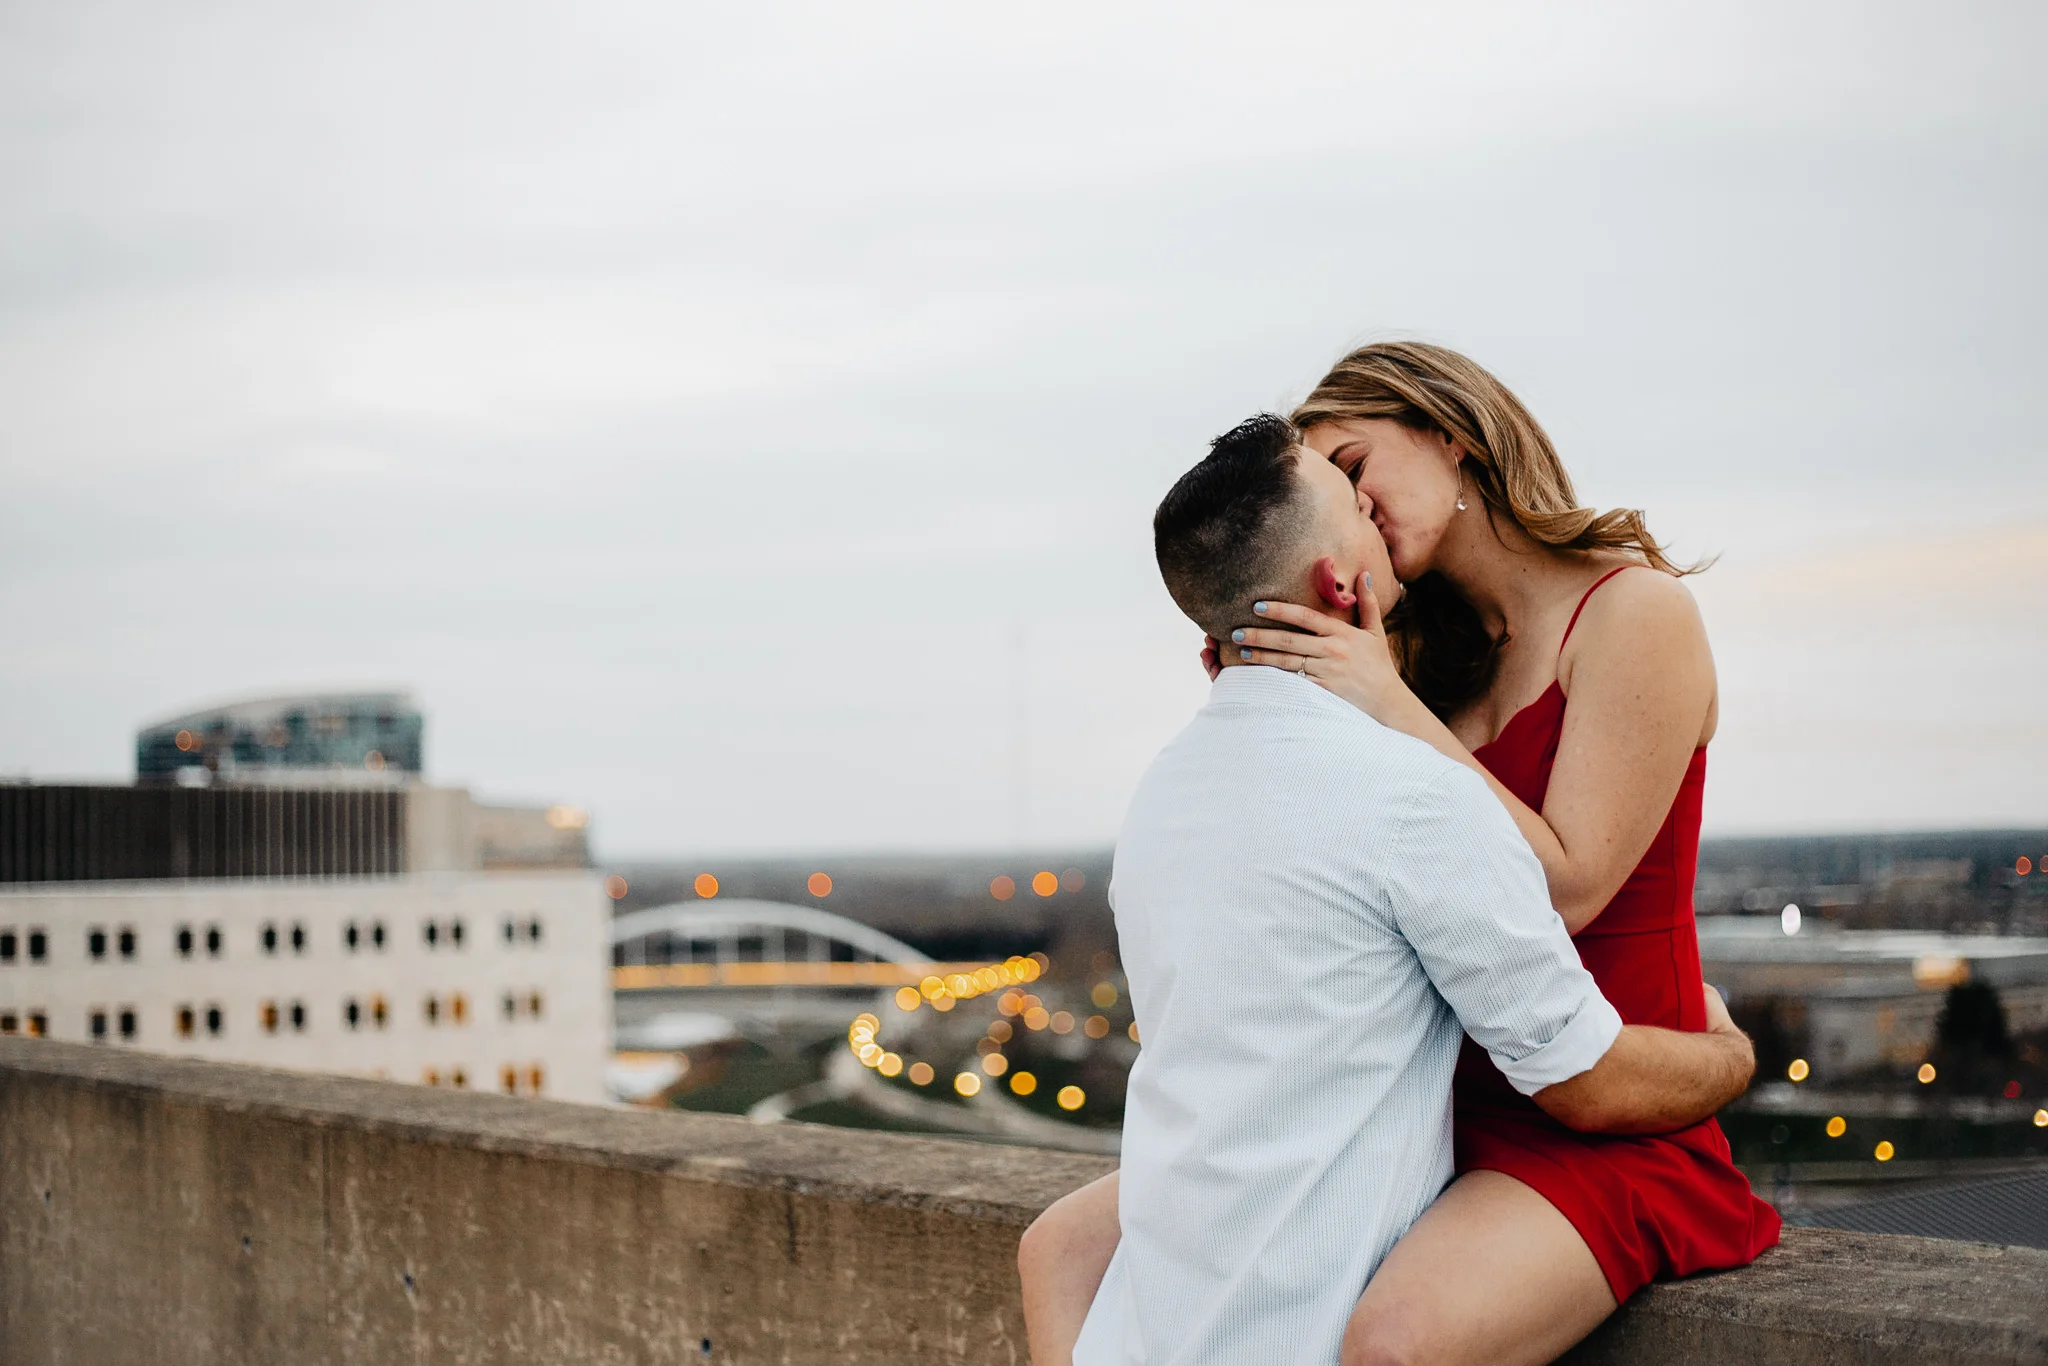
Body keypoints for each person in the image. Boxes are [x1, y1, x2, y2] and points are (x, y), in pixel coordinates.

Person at [1022, 347, 1780, 1366]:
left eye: (1350, 462)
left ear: (1445, 430)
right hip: (1418, 1101)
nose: (1353, 504)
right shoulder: (1413, 648)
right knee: (1060, 1249)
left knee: (1396, 1341)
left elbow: (1569, 888)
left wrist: (1382, 700)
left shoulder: (1630, 612)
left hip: (1598, 1103)